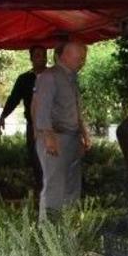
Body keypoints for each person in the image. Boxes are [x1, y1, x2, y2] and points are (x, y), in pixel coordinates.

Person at [31, 40, 91, 222]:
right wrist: (48, 136)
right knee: (54, 186)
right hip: (55, 137)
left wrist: (83, 133)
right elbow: (40, 108)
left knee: (72, 186)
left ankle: (67, 226)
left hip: (71, 137)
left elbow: (75, 109)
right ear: (63, 55)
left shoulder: (71, 78)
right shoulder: (49, 76)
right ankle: (48, 231)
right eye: (78, 56)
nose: (82, 60)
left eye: (83, 57)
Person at [0, 45, 48, 189]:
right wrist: (3, 116)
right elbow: (14, 99)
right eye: (38, 55)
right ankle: (42, 191)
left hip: (53, 127)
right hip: (33, 127)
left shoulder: (53, 76)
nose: (42, 58)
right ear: (31, 58)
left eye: (44, 54)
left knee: (53, 160)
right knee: (36, 160)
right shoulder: (24, 79)